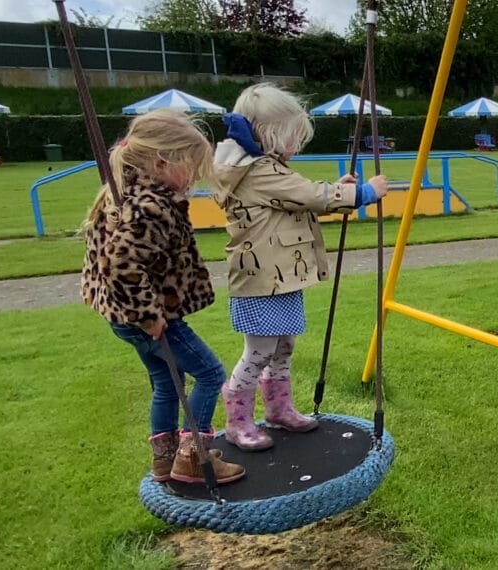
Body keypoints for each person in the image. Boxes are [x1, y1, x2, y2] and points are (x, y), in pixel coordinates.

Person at [213, 83, 389, 451]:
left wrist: (337, 191)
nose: (297, 145)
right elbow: (311, 195)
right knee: (259, 352)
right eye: (293, 137)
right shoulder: (256, 170)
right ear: (269, 135)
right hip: (260, 281)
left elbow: (299, 200)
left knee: (283, 347)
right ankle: (238, 421)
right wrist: (365, 193)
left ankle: (278, 409)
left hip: (280, 277)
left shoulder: (264, 169)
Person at [80, 109, 245, 485]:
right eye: (189, 166)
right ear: (161, 162)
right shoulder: (149, 207)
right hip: (149, 317)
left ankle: (165, 460)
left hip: (123, 318)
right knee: (209, 373)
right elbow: (120, 265)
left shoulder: (128, 195)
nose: (192, 177)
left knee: (167, 383)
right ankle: (193, 457)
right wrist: (148, 315)